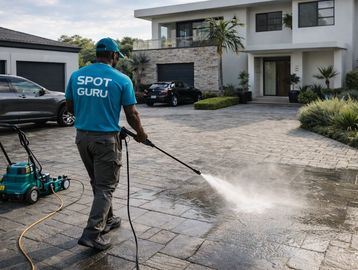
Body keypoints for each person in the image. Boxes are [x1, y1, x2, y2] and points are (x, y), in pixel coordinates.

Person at [65, 37, 147, 250]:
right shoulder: (121, 79)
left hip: (82, 138)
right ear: (113, 55)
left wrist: (89, 118)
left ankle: (108, 220)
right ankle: (92, 233)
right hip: (105, 141)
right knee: (105, 186)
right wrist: (141, 134)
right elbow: (132, 113)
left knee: (98, 182)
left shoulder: (76, 76)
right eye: (117, 56)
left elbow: (70, 106)